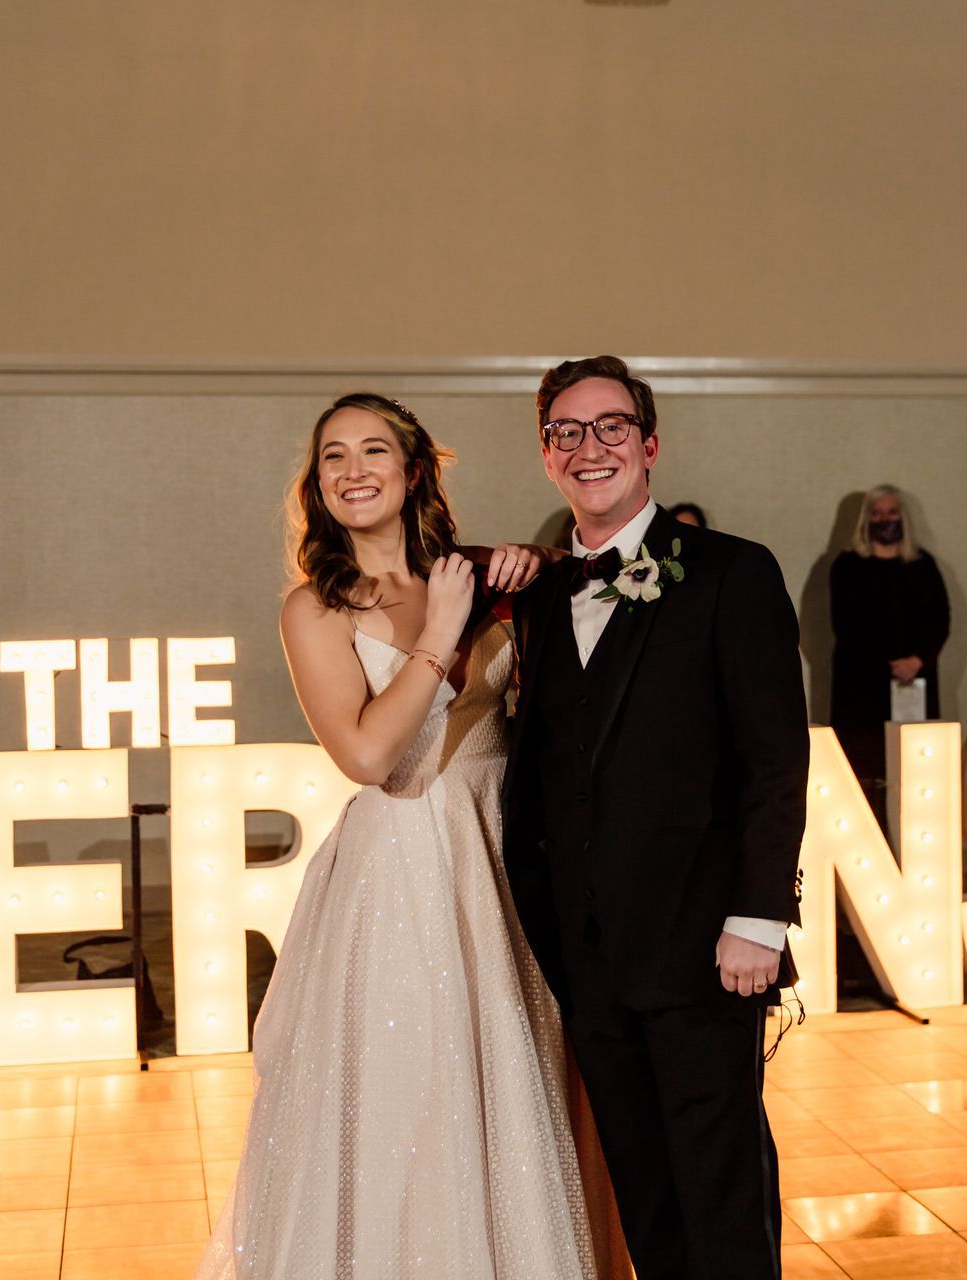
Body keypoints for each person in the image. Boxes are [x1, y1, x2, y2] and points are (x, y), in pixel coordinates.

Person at [197, 393, 626, 1279]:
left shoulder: (472, 576)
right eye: (332, 459)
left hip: (498, 858)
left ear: (414, 467)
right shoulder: (315, 608)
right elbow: (365, 752)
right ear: (316, 486)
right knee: (412, 1094)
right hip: (399, 867)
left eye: (373, 451)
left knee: (510, 1084)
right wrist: (438, 637)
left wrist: (535, 566)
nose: (353, 471)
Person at [502, 356, 808, 1280]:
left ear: (650, 446)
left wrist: (758, 918)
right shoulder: (545, 597)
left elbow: (773, 759)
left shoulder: (732, 572)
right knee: (645, 1195)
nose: (589, 448)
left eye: (610, 428)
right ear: (548, 457)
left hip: (706, 949)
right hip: (589, 958)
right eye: (567, 432)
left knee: (721, 1193)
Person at [827, 485, 950, 787]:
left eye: (891, 512)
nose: (885, 519)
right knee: (865, 773)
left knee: (914, 774)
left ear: (903, 517)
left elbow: (940, 619)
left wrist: (917, 660)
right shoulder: (847, 566)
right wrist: (886, 664)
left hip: (913, 681)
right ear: (865, 519)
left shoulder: (923, 564)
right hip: (861, 687)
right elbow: (845, 625)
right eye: (877, 513)